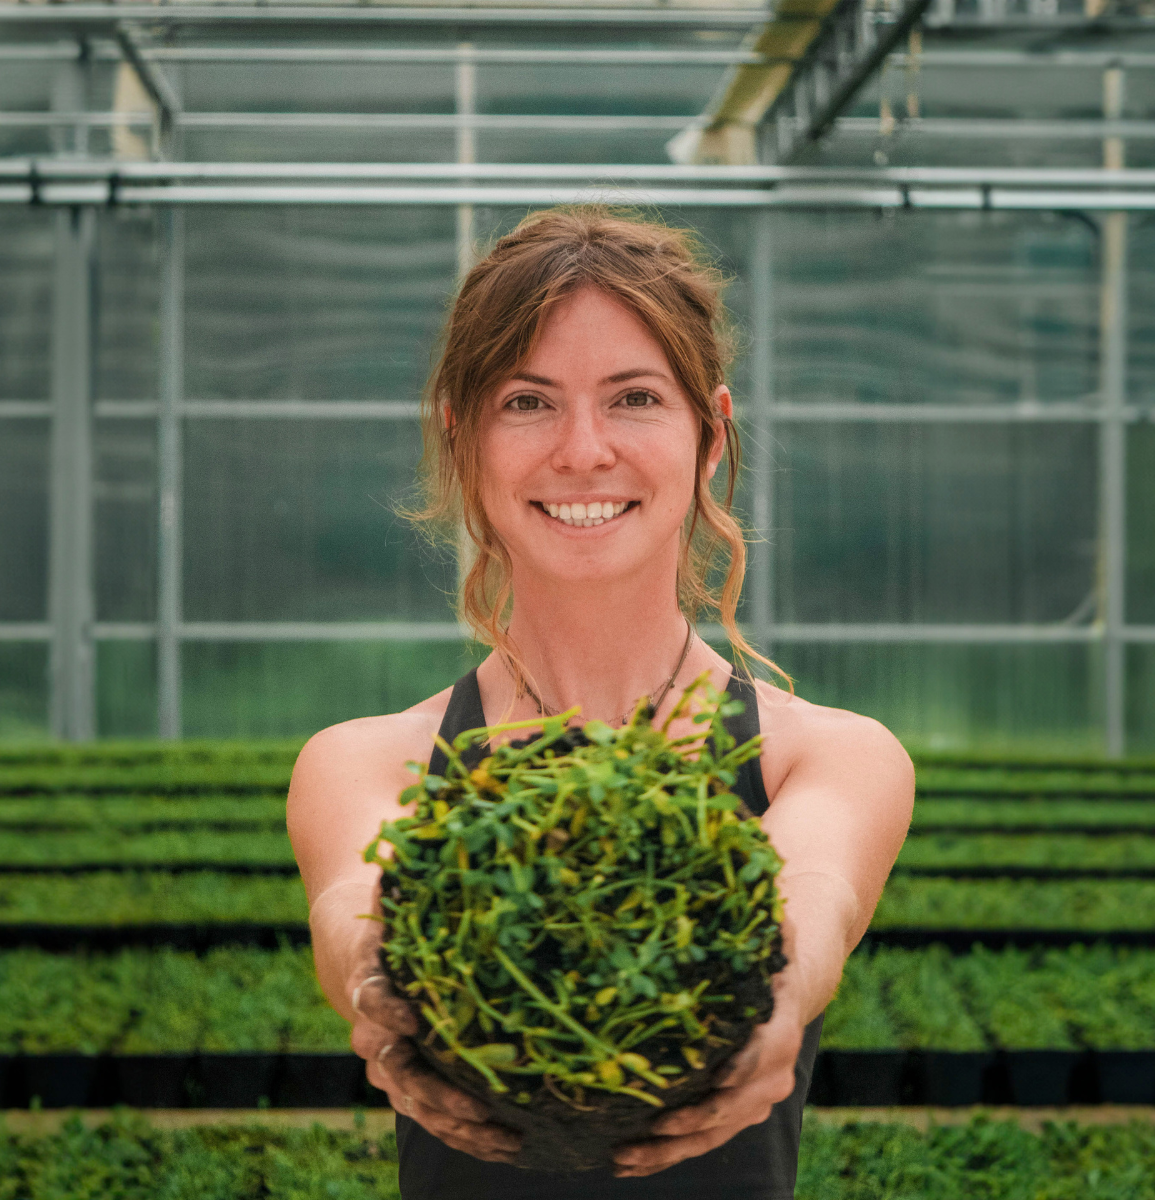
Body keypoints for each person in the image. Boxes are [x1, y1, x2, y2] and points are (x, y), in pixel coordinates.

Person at [287, 207, 914, 1198]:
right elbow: (351, 916)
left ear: (710, 435)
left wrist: (776, 1001)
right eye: (527, 403)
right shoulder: (369, 763)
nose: (583, 451)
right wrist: (378, 988)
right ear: (463, 438)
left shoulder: (828, 756)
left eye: (633, 399)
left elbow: (814, 902)